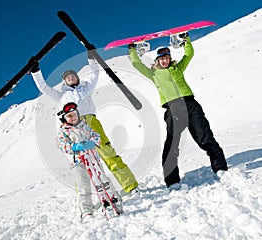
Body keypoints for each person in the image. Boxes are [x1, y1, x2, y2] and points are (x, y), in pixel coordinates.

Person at [28, 51, 139, 196]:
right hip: (75, 126)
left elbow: (95, 74)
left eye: (73, 76)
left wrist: (91, 58)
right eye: (68, 78)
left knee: (108, 153)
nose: (71, 78)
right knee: (84, 162)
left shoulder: (85, 88)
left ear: (77, 78)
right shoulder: (62, 96)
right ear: (64, 82)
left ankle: (130, 186)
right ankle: (101, 195)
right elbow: (44, 88)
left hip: (91, 122)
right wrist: (36, 72)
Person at [128, 32, 228, 189]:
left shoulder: (178, 68)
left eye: (167, 58)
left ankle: (220, 168)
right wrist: (132, 50)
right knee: (172, 144)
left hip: (190, 104)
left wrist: (186, 39)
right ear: (157, 61)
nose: (164, 61)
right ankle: (173, 181)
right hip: (172, 108)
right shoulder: (154, 74)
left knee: (205, 136)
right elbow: (137, 64)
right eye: (161, 59)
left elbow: (189, 53)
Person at [56, 102, 122, 221]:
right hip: (78, 163)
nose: (73, 118)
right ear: (64, 119)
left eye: (74, 114)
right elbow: (62, 145)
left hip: (93, 159)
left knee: (103, 179)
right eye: (69, 116)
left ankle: (114, 199)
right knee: (84, 186)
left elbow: (95, 135)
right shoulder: (63, 131)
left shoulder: (84, 125)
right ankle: (86, 211)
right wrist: (74, 147)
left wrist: (93, 141)